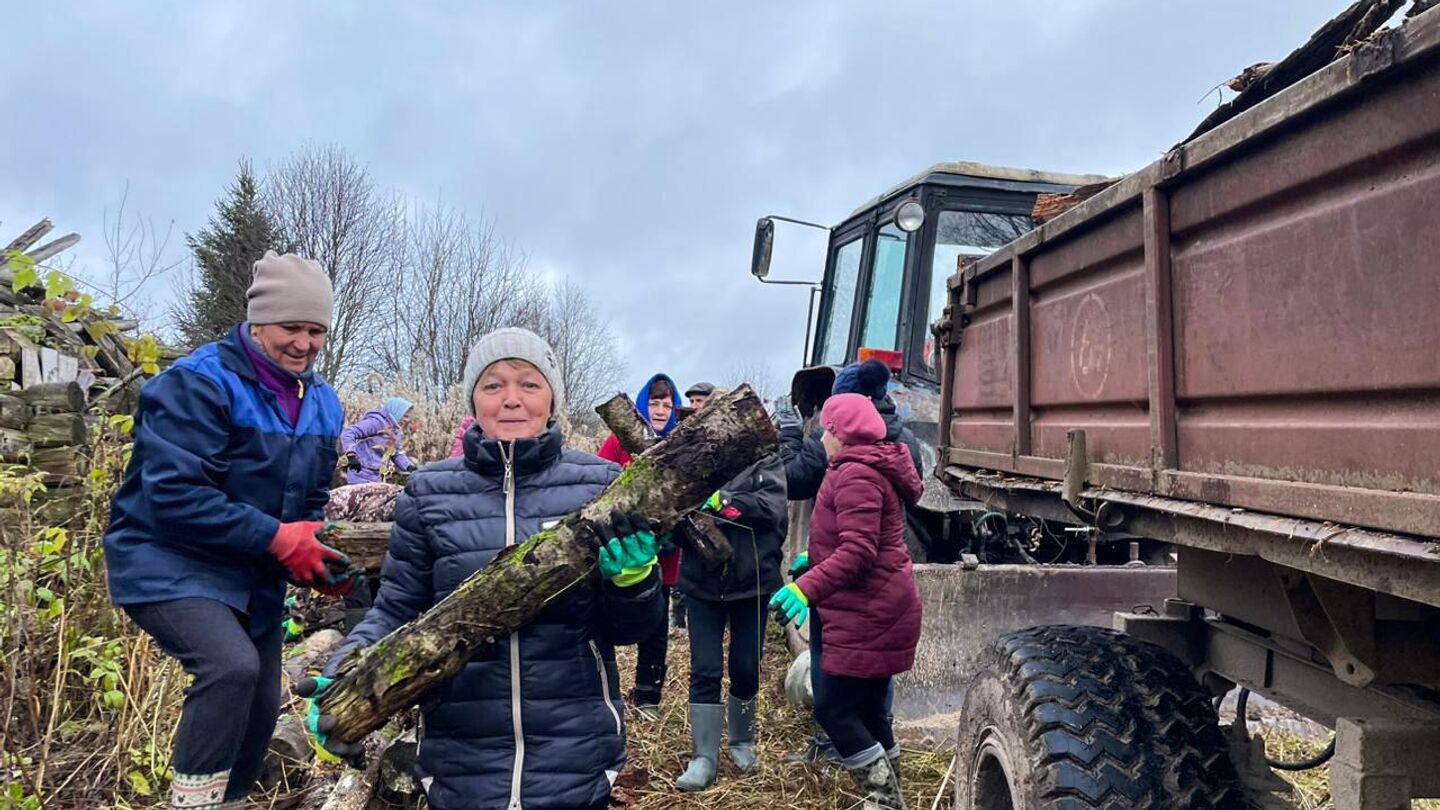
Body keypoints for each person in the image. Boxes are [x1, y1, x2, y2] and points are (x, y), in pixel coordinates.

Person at [313, 327, 665, 809]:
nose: (511, 400)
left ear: (552, 398)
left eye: (529, 384)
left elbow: (629, 630)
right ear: (473, 399)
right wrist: (347, 669)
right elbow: (395, 607)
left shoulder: (598, 486)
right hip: (461, 758)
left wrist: (636, 583)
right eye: (493, 385)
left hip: (575, 753)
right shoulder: (429, 492)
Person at [104, 251, 355, 810]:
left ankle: (232, 800)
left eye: (316, 331)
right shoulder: (196, 384)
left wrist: (314, 558)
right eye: (292, 327)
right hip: (167, 560)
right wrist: (278, 539)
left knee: (263, 703)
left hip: (251, 576)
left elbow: (310, 505)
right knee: (230, 668)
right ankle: (192, 804)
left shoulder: (322, 403)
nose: (304, 343)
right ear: (257, 321)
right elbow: (172, 496)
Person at [770, 393, 922, 810]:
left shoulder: (855, 475)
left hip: (867, 612)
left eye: (824, 430)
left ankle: (883, 799)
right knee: (871, 711)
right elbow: (860, 540)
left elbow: (858, 553)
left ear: (837, 433)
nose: (819, 437)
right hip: (877, 606)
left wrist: (805, 588)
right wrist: (816, 558)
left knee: (833, 709)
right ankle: (893, 798)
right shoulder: (867, 466)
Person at [674, 449, 787, 791]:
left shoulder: (765, 462)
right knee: (705, 668)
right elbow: (677, 518)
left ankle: (741, 741)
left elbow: (771, 510)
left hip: (752, 584)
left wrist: (723, 501)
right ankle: (704, 757)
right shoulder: (695, 463)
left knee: (746, 666)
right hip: (702, 583)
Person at [597, 373, 682, 714]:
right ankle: (607, 691)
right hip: (621, 549)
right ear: (641, 404)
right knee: (607, 621)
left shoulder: (681, 441)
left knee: (656, 625)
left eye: (667, 404)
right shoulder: (620, 440)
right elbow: (600, 478)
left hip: (665, 553)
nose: (660, 410)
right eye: (654, 402)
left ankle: (648, 696)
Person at [340, 397, 417, 484]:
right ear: (397, 411)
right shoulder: (376, 422)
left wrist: (409, 467)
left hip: (377, 475)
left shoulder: (395, 432)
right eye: (405, 416)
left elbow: (396, 453)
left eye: (408, 418)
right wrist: (351, 455)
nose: (407, 420)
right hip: (360, 472)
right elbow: (348, 433)